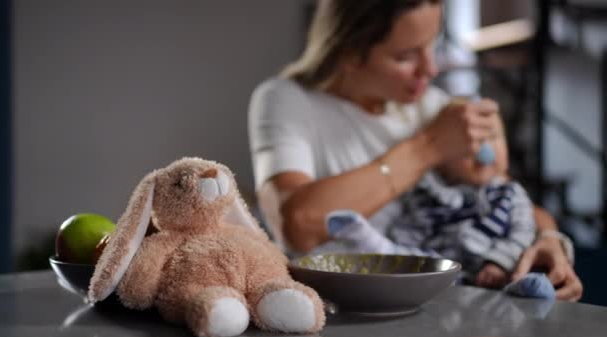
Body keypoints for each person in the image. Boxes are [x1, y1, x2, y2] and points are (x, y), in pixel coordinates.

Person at [248, 0, 582, 300]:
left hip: (432, 308)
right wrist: (430, 146)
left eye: (432, 46)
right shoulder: (287, 99)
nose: (431, 70)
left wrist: (551, 238)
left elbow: (504, 194)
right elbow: (296, 224)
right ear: (347, 52)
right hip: (328, 307)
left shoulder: (432, 107)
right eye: (406, 56)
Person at [316, 117, 545, 292]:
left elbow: (523, 232)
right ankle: (374, 244)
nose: (484, 150)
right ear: (442, 159)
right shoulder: (425, 194)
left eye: (494, 138)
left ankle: (523, 289)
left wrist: (499, 263)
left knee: (522, 279)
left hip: (491, 271)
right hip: (437, 272)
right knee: (406, 258)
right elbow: (406, 230)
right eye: (471, 142)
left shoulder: (511, 194)